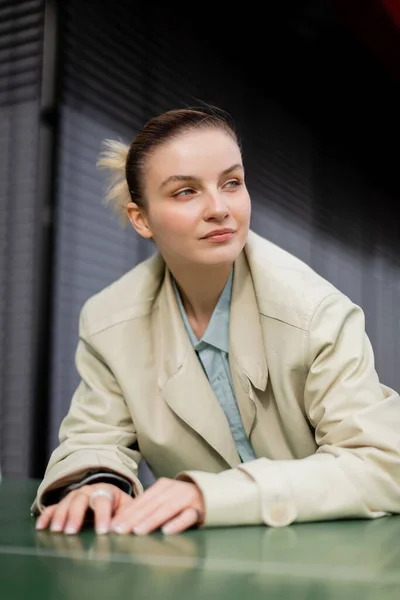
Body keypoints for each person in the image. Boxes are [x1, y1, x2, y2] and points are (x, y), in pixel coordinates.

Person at [32, 107, 400, 537]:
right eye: (186, 192)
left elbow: (382, 463)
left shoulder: (315, 313)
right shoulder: (108, 321)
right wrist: (97, 484)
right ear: (141, 218)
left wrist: (210, 496)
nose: (219, 208)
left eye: (232, 183)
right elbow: (94, 438)